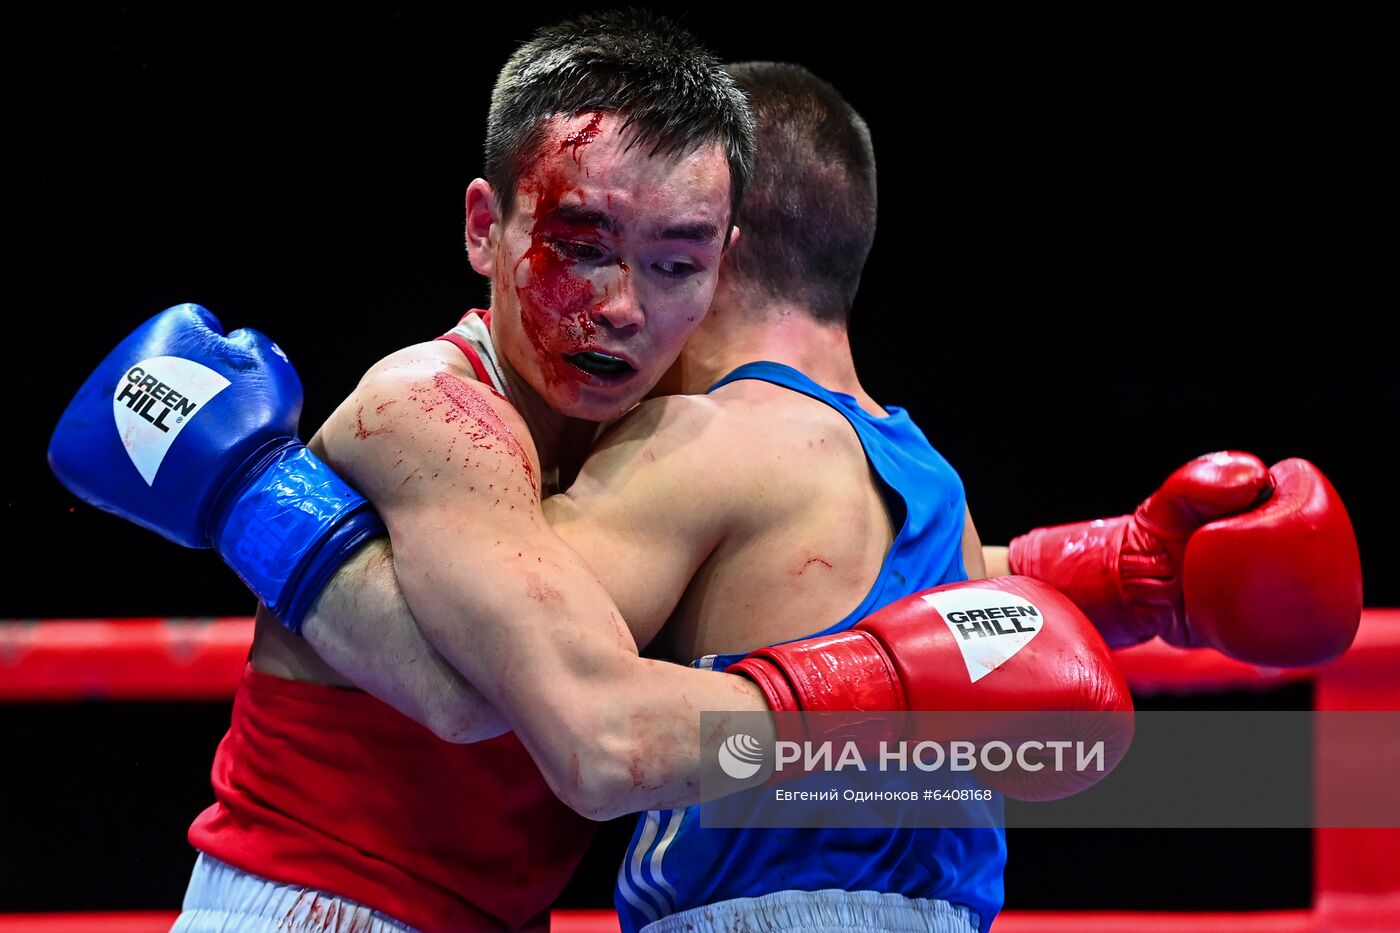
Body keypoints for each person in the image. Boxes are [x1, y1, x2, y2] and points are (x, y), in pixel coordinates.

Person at [49, 16, 1136, 933]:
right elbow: (562, 725)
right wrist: (881, 687)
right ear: (487, 227)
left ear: (722, 265)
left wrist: (1116, 573)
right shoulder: (432, 409)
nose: (621, 305)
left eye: (673, 264)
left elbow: (774, 576)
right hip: (309, 907)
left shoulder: (644, 454)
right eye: (578, 244)